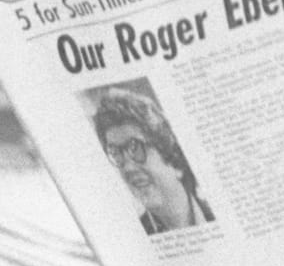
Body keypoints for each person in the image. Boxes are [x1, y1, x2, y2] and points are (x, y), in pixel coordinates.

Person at [90, 86, 213, 234]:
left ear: (174, 162)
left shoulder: (217, 215)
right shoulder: (133, 236)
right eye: (116, 153)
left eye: (135, 148)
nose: (127, 167)